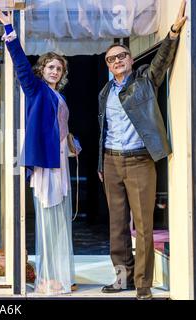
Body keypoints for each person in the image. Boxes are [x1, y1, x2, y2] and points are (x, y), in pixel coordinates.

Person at [98, 0, 187, 301]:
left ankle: (143, 287)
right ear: (108, 65)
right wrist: (101, 163)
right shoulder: (104, 93)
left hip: (139, 161)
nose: (118, 60)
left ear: (131, 60)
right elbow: (103, 130)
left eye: (122, 56)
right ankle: (121, 279)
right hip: (111, 162)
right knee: (117, 226)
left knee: (144, 227)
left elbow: (161, 60)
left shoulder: (145, 81)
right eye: (112, 59)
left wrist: (173, 32)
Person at [0, 7, 80, 295]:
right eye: (50, 67)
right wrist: (9, 31)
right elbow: (19, 63)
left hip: (61, 161)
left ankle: (60, 274)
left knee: (59, 222)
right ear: (42, 70)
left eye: (59, 68)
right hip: (45, 162)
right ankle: (47, 279)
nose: (54, 71)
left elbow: (61, 127)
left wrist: (71, 143)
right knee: (47, 221)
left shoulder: (59, 95)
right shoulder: (35, 89)